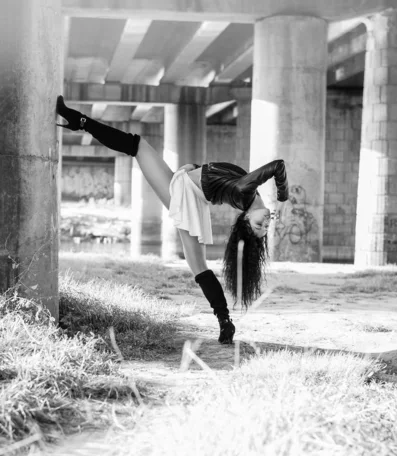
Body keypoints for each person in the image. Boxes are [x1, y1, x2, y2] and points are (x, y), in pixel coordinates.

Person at [56, 96, 288, 345]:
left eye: (258, 226)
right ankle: (225, 322)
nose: (265, 223)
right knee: (198, 265)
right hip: (191, 192)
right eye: (265, 226)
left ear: (245, 220)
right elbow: (243, 170)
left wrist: (280, 198)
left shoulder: (245, 191)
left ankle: (78, 120)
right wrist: (281, 201)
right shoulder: (249, 192)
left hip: (186, 195)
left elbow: (277, 165)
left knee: (137, 146)